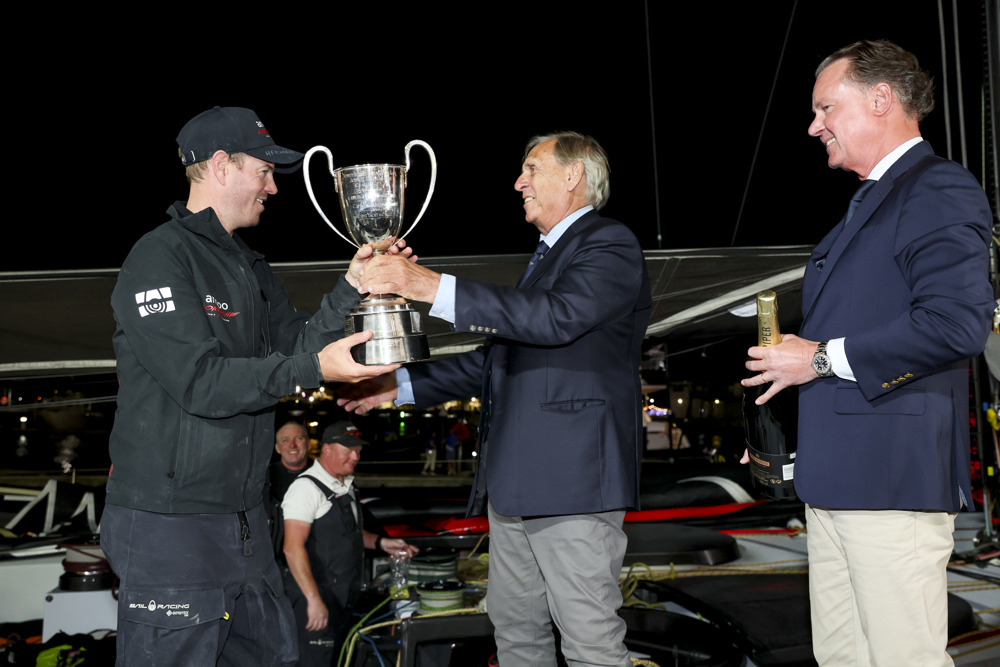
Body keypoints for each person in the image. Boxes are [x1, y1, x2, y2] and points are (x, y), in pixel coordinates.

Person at [100, 106, 404, 666]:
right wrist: (315, 370)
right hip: (171, 524)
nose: (272, 186)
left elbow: (300, 345)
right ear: (220, 166)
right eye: (263, 171)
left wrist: (352, 284)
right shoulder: (159, 257)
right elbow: (201, 383)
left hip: (244, 520)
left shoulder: (250, 267)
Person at [340, 131, 652, 666]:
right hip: (516, 491)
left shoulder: (609, 242)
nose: (519, 182)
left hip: (572, 483)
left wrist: (428, 286)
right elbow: (494, 361)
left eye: (532, 168)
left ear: (573, 175)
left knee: (589, 640)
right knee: (515, 632)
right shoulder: (549, 258)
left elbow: (557, 319)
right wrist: (399, 387)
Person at [742, 41, 993, 666]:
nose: (813, 124)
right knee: (843, 658)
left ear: (881, 99)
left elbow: (957, 324)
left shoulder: (937, 189)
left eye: (826, 106)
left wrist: (819, 358)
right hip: (838, 483)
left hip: (890, 483)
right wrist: (782, 435)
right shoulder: (869, 204)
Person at [281, 422, 418, 666]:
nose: (355, 456)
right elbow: (292, 548)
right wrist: (313, 601)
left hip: (343, 599)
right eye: (348, 450)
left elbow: (347, 533)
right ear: (326, 449)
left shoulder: (346, 485)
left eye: (358, 450)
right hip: (315, 601)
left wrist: (382, 542)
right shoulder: (305, 489)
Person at [268, 421, 312, 506]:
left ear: (309, 444)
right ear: (277, 448)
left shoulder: (323, 474)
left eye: (299, 438)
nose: (292, 445)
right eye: (285, 440)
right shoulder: (265, 477)